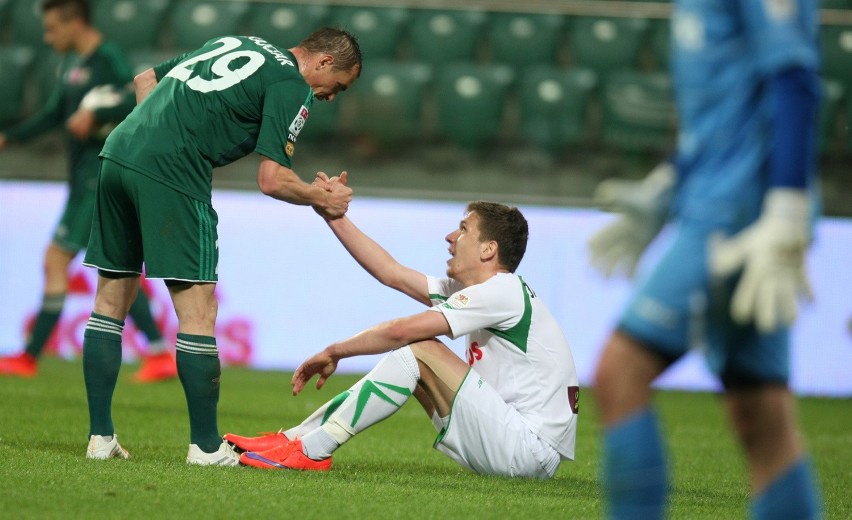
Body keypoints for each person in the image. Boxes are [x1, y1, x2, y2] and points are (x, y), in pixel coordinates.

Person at [80, 27, 361, 466]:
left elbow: (144, 81)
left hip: (119, 151)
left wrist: (152, 139)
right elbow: (271, 179)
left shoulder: (240, 41)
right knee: (199, 311)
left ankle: (100, 439)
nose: (330, 98)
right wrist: (320, 196)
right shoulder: (292, 83)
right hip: (173, 170)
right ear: (324, 62)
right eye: (337, 86)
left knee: (111, 298)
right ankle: (207, 448)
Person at [588, 1, 824, 518]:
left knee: (620, 372)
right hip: (718, 202)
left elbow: (795, 79)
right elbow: (724, 112)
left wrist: (786, 210)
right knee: (761, 417)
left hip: (736, 217)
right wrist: (666, 187)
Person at [224, 201, 580, 477]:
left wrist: (335, 351)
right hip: (512, 440)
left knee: (420, 349)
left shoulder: (501, 291)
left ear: (489, 250)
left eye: (463, 229)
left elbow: (400, 331)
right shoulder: (483, 291)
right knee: (416, 355)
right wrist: (332, 215)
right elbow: (390, 273)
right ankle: (295, 441)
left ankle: (313, 449)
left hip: (527, 450)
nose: (450, 237)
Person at [0, 0, 175, 383]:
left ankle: (30, 356)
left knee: (59, 259)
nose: (47, 38)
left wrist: (97, 114)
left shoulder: (107, 58)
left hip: (99, 176)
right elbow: (53, 115)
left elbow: (138, 99)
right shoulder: (73, 65)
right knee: (116, 268)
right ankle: (160, 352)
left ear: (75, 23)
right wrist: (9, 137)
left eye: (52, 29)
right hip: (82, 178)